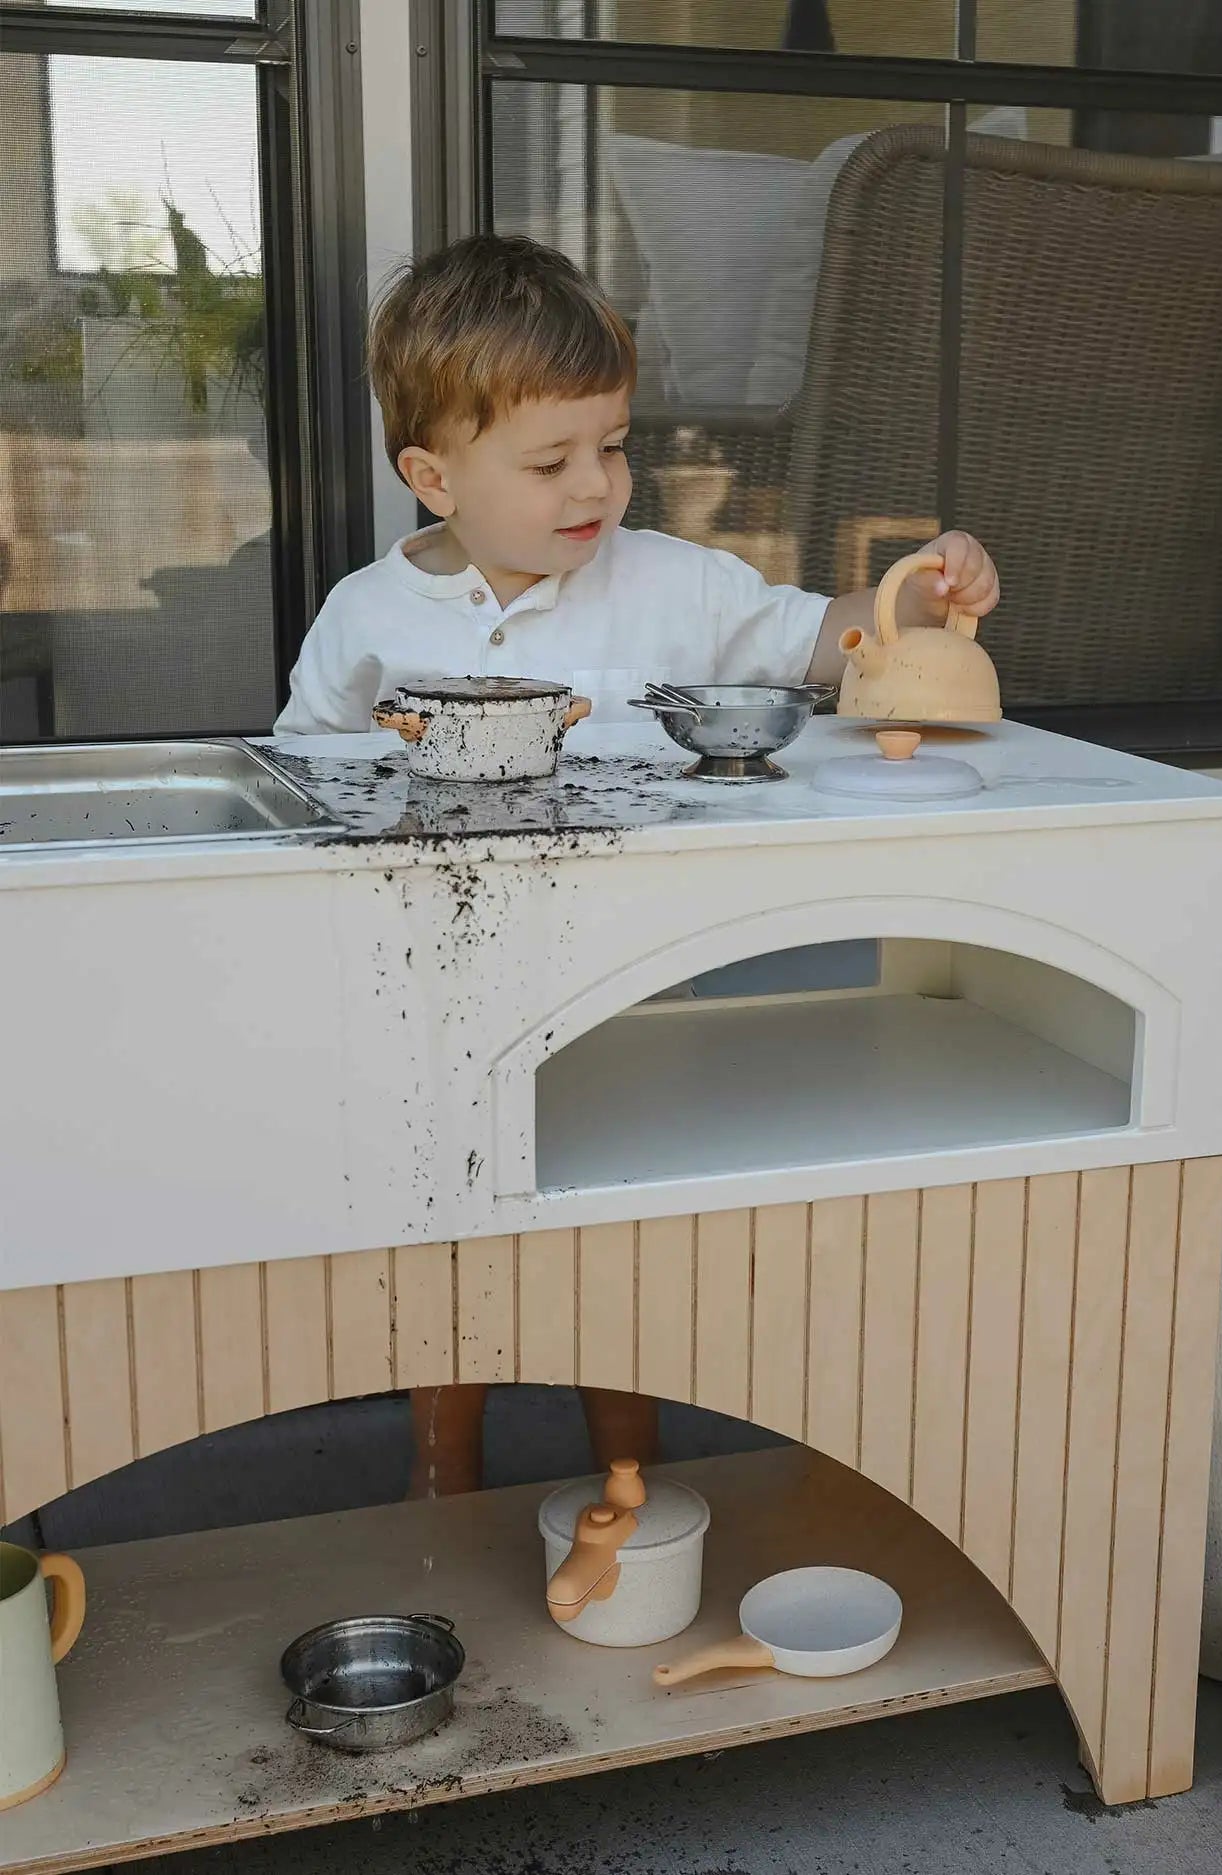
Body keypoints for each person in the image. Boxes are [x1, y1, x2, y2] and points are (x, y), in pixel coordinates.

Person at [275, 234, 1001, 1492]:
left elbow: (830, 643)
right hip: (442, 998)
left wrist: (919, 597)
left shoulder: (677, 584)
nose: (596, 484)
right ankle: (442, 1473)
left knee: (623, 1251)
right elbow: (302, 783)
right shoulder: (366, 616)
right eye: (551, 459)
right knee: (453, 1248)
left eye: (612, 446)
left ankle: (634, 1469)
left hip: (645, 1003)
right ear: (431, 474)